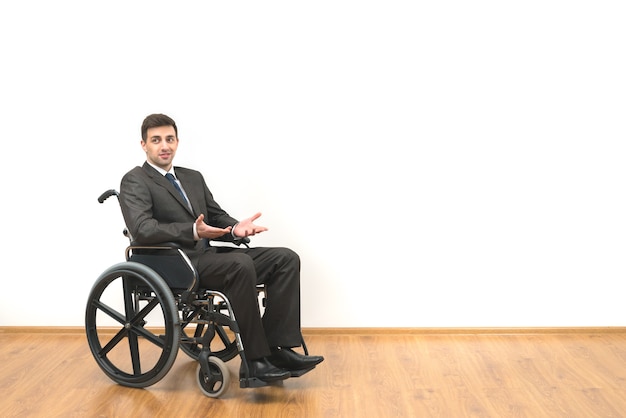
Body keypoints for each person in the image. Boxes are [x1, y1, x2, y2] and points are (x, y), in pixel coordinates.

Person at [119, 113, 323, 384]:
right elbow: (143, 228)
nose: (164, 145)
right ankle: (255, 362)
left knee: (285, 259)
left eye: (169, 139)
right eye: (156, 140)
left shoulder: (192, 178)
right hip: (174, 263)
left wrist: (236, 228)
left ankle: (278, 350)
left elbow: (214, 216)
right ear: (144, 145)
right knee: (239, 265)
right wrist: (192, 231)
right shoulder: (135, 180)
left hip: (206, 257)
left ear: (177, 142)